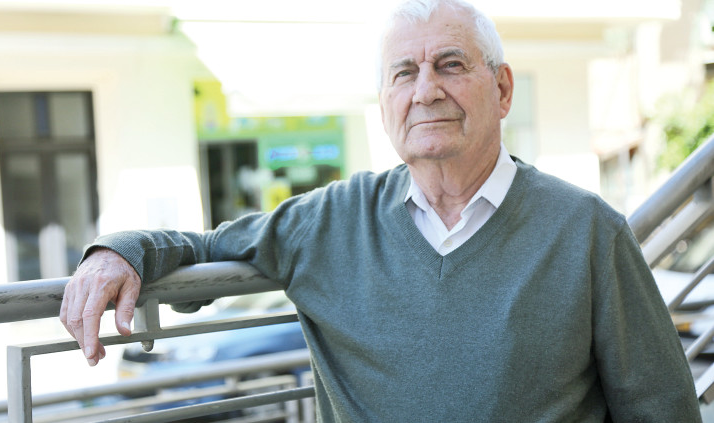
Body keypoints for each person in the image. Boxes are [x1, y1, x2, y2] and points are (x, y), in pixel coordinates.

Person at [60, 0, 703, 421]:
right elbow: (201, 248)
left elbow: (662, 407)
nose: (426, 90)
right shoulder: (328, 222)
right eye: (403, 74)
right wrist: (120, 253)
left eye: (450, 65)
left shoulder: (587, 230)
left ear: (502, 89)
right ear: (385, 104)